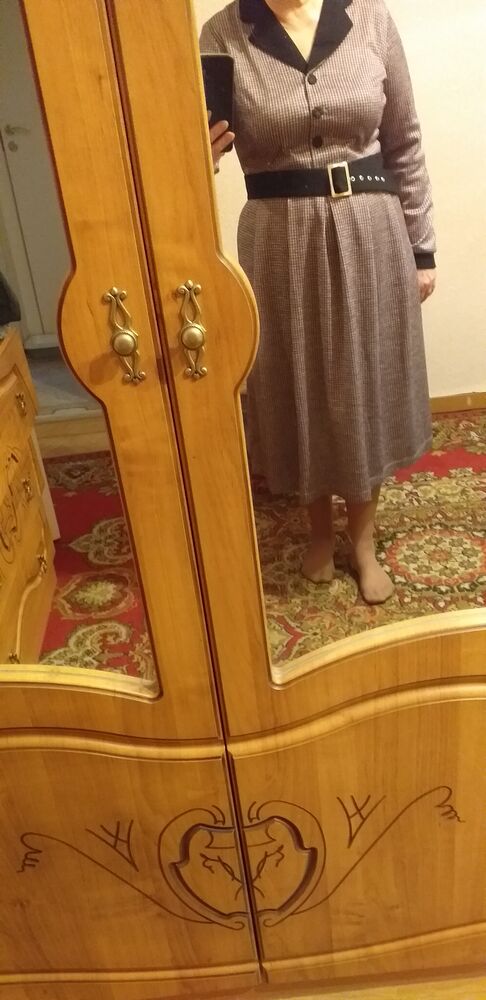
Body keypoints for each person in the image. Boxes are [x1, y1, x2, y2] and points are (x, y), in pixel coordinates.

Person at [201, 0, 436, 604]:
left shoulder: (371, 18)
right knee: (297, 380)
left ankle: (362, 539)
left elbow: (405, 140)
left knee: (364, 382)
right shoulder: (223, 33)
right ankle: (317, 531)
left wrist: (422, 249)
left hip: (371, 230)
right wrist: (194, 153)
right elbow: (192, 158)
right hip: (278, 239)